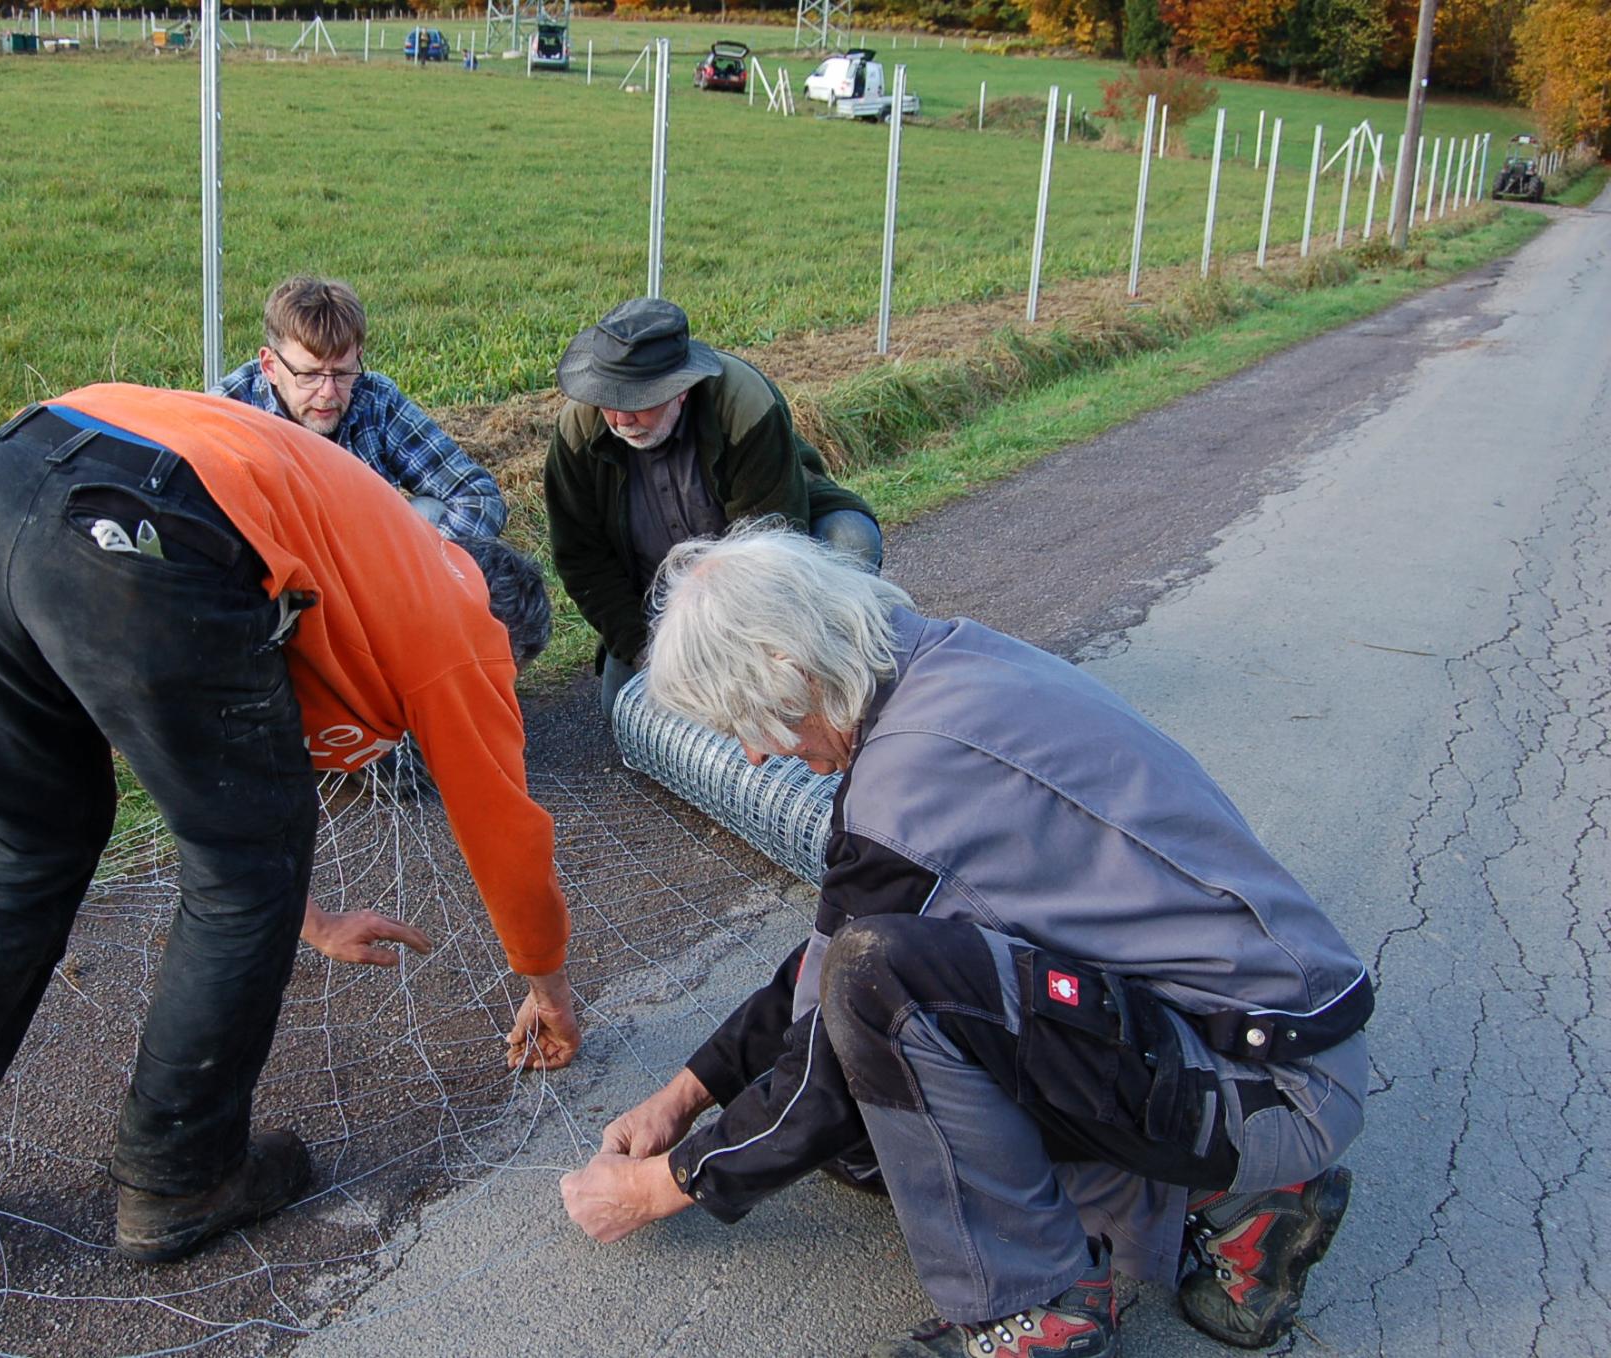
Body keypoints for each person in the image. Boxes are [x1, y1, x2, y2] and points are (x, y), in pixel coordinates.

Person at [0, 383, 578, 1265]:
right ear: (508, 643)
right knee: (240, 873)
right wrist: (548, 992)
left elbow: (208, 766)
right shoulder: (464, 617)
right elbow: (505, 834)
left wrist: (306, 916)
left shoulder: (363, 562)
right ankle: (182, 1175)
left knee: (26, 845)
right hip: (137, 523)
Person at [561, 525, 1369, 1358]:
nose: (759, 754)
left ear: (791, 674)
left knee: (873, 1047)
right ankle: (1234, 1211)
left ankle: (1038, 1307)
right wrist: (688, 1093)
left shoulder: (912, 776)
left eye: (752, 721)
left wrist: (662, 1187)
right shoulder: (931, 664)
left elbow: (845, 1027)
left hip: (1267, 1087)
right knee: (867, 1074)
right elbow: (825, 955)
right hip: (1246, 1043)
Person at [542, 298, 881, 721]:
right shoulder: (578, 432)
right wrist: (645, 649)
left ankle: (839, 675)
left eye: (639, 400)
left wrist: (738, 658)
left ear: (680, 389)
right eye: (609, 397)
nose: (621, 417)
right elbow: (582, 559)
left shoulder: (743, 402)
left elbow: (771, 544)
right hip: (657, 598)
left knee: (851, 539)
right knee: (624, 710)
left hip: (761, 569)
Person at [217, 275, 504, 542]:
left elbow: (478, 495)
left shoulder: (376, 400)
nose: (328, 393)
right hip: (269, 571)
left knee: (431, 513)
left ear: (358, 358)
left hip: (367, 568)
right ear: (270, 366)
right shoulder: (226, 412)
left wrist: (427, 573)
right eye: (310, 375)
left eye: (342, 373)